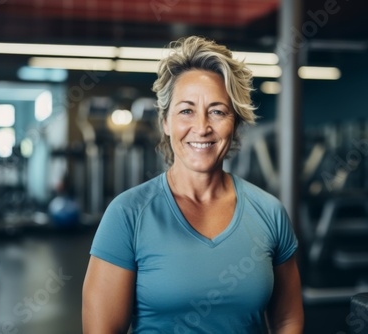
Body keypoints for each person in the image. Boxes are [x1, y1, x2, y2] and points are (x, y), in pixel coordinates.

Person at [82, 36, 304, 334]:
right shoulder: (127, 214)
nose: (202, 127)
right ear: (165, 122)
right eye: (186, 110)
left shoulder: (269, 211)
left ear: (235, 122)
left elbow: (287, 319)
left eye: (217, 111)